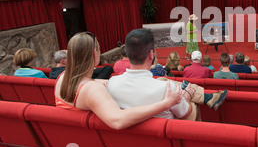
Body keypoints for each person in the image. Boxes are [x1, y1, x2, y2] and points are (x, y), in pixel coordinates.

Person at [54, 32, 182, 130]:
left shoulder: (63, 77)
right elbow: (118, 121)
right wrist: (166, 103)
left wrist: (97, 81)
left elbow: (81, 84)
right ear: (95, 53)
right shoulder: (91, 89)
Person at [107, 29, 228, 121]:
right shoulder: (167, 89)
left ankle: (207, 97)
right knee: (189, 100)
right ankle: (205, 98)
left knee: (162, 79)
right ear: (151, 55)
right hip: (168, 140)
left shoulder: (112, 83)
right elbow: (185, 113)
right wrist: (186, 96)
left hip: (132, 142)